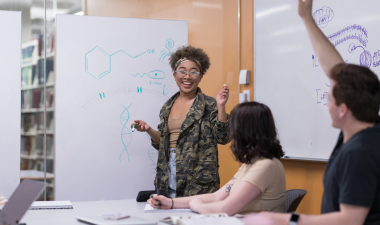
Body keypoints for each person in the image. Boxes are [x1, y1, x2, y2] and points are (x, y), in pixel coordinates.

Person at [244, 0, 380, 224]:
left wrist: (287, 220)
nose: (326, 105)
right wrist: (307, 18)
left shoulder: (360, 153)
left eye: (329, 99)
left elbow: (351, 219)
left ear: (343, 109)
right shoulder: (367, 129)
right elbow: (336, 71)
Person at [147, 102, 286, 216]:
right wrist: (170, 202)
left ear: (245, 131)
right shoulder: (251, 163)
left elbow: (226, 208)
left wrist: (196, 205)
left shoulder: (266, 165)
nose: (232, 132)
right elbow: (216, 197)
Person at [131, 46, 230, 198]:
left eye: (193, 71)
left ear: (201, 76)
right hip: (167, 175)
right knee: (167, 218)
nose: (187, 76)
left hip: (198, 180)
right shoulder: (167, 106)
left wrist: (221, 106)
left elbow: (223, 138)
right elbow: (162, 143)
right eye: (182, 71)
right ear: (174, 75)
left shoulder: (210, 104)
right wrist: (149, 130)